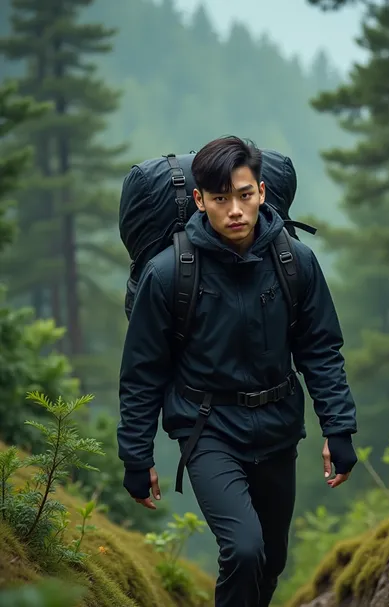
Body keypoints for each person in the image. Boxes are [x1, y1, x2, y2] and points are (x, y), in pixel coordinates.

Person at [117, 136, 358, 607]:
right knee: (244, 548)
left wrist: (339, 427)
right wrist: (136, 455)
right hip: (207, 428)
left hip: (277, 428)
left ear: (262, 192)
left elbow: (321, 350)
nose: (234, 210)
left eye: (244, 195)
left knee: (271, 559)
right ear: (199, 200)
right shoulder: (169, 274)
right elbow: (142, 372)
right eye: (220, 198)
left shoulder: (295, 261)